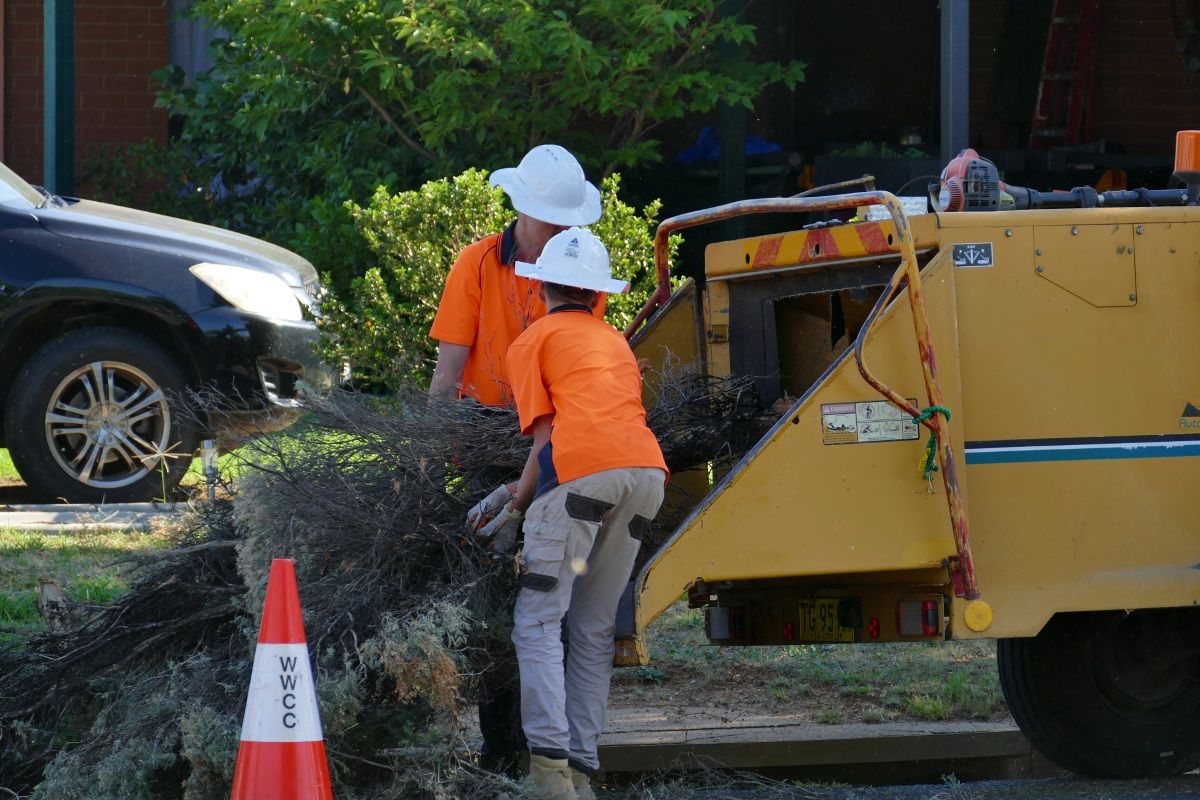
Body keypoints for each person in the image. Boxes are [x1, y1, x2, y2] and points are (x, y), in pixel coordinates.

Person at [474, 228, 668, 800]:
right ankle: (582, 772)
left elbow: (546, 445)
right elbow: (592, 442)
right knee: (592, 627)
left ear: (541, 290)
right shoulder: (615, 343)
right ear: (597, 296)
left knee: (537, 620)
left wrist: (515, 509)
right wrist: (522, 494)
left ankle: (551, 779)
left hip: (583, 476)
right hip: (645, 477)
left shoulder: (532, 341)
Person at [428, 144, 602, 406]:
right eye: (555, 219)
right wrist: (436, 439)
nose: (565, 230)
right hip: (482, 431)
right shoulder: (476, 263)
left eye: (570, 221)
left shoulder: (585, 274)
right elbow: (447, 373)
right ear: (525, 206)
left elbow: (581, 373)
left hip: (557, 431)